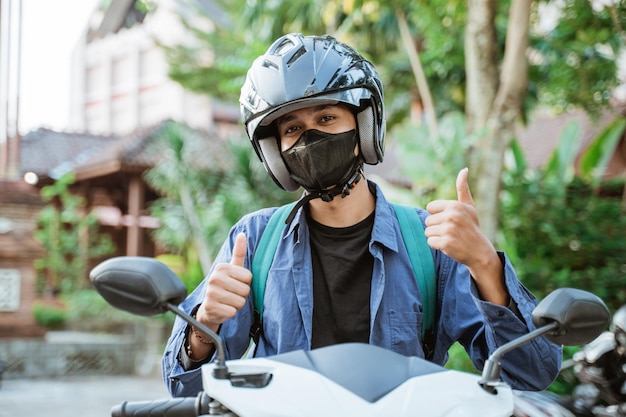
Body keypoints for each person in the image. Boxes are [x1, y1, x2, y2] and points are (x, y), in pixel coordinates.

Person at [161, 33, 562, 397]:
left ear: (364, 126)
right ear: (275, 151)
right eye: (293, 129)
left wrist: (484, 264)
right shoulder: (253, 241)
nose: (310, 137)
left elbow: (530, 374)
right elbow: (184, 387)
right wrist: (204, 325)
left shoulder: (429, 244)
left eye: (326, 118)